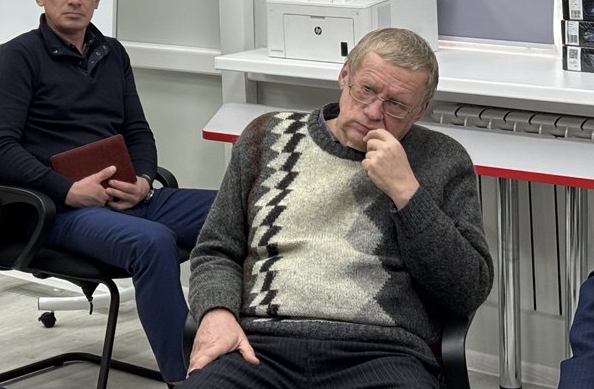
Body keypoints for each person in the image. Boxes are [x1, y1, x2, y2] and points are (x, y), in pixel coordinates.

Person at [184, 27, 493, 389]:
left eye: (396, 105)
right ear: (345, 76)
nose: (374, 112)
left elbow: (467, 290)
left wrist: (407, 193)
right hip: (260, 342)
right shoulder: (267, 136)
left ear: (420, 110)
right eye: (366, 90)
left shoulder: (441, 159)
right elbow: (217, 250)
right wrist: (216, 311)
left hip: (383, 352)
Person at [0, 0, 216, 384]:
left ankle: (252, 353)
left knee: (244, 208)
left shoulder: (111, 53)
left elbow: (138, 131)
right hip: (60, 210)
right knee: (153, 243)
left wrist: (143, 180)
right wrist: (67, 190)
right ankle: (188, 380)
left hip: (127, 197)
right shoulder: (17, 57)